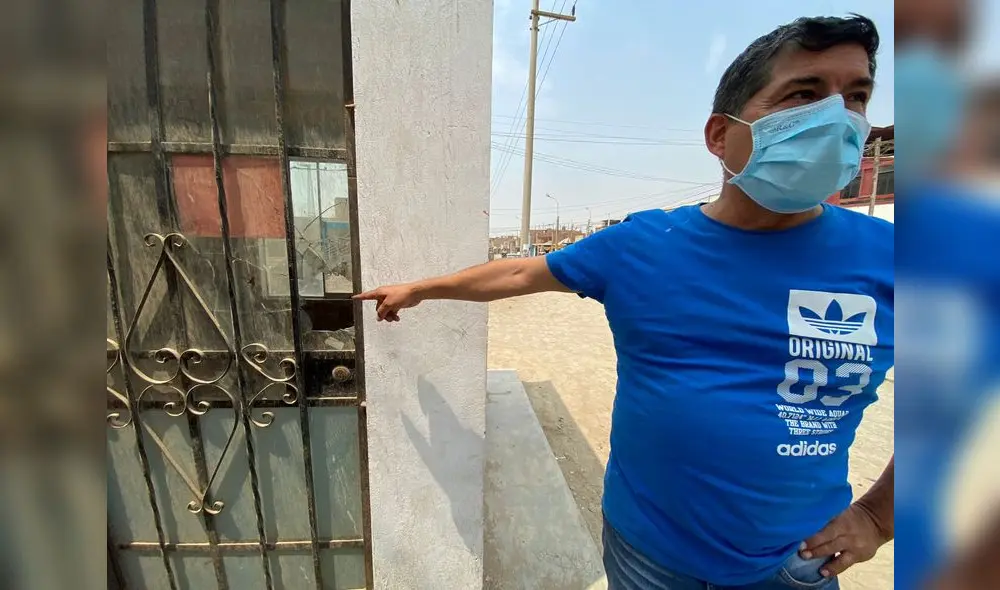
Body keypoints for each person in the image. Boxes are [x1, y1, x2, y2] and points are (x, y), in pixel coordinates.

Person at [356, 15, 893, 590]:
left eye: (855, 96)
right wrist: (421, 289)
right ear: (720, 135)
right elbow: (518, 272)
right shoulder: (643, 244)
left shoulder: (896, 259)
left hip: (795, 566)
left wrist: (876, 517)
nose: (837, 118)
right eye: (804, 95)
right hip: (648, 557)